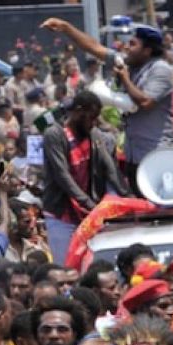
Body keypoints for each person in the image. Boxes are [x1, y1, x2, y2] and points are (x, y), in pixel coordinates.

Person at [41, 18, 173, 184]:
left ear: (147, 51)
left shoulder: (160, 69)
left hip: (157, 153)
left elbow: (146, 102)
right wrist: (66, 27)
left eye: (132, 44)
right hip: (134, 154)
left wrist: (125, 79)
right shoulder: (128, 62)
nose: (126, 47)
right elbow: (94, 47)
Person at [42, 91, 128, 264]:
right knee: (66, 266)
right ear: (78, 112)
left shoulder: (94, 135)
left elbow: (109, 168)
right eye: (91, 117)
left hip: (87, 214)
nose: (94, 123)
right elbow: (62, 176)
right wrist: (89, 203)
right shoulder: (55, 135)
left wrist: (126, 195)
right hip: (62, 215)